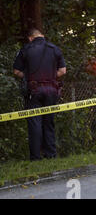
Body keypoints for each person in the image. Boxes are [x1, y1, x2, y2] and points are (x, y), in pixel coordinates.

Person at [13, 28, 66, 161]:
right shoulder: (54, 49)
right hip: (52, 90)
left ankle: (36, 157)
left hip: (34, 90)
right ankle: (51, 155)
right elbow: (63, 71)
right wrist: (50, 78)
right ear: (41, 35)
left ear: (30, 38)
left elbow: (16, 71)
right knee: (49, 122)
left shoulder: (26, 49)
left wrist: (29, 76)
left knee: (35, 123)